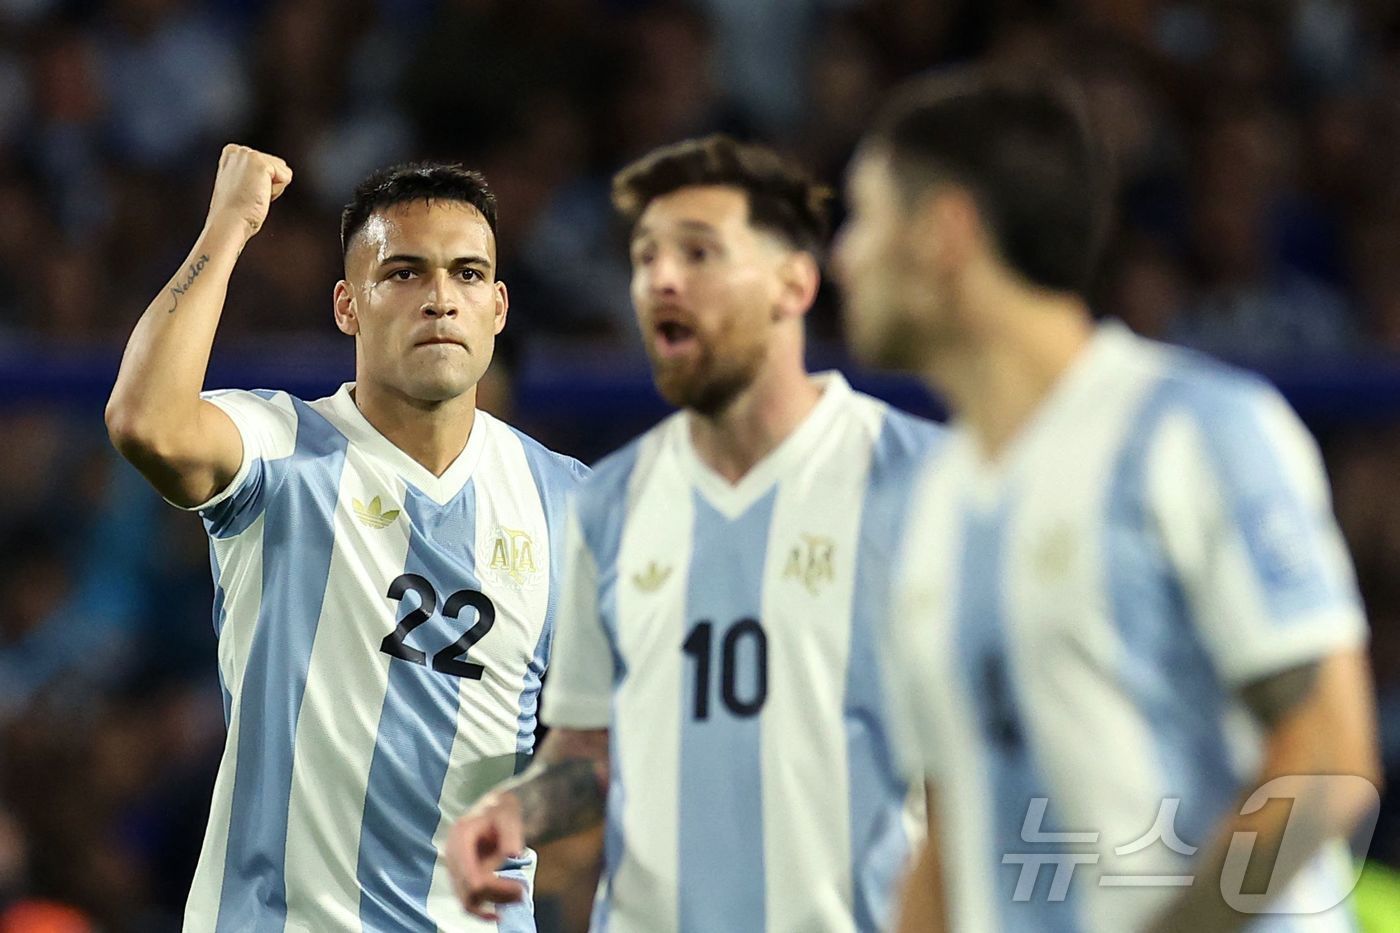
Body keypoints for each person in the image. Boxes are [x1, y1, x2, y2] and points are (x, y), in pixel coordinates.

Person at [835, 69, 1382, 932]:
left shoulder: (1195, 432)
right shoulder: (915, 509)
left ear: (946, 232)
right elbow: (950, 834)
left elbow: (1327, 757)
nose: (844, 257)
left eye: (864, 218)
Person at [444, 135, 944, 931]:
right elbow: (588, 754)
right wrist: (517, 813)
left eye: (700, 252)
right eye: (644, 258)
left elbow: (975, 769)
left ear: (795, 283)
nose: (661, 280)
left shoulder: (921, 482)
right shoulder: (610, 501)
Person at [105, 146, 586, 932]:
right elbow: (144, 420)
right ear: (347, 306)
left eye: (466, 274)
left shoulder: (565, 499)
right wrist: (228, 227)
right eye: (403, 273)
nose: (440, 298)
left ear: (498, 308)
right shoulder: (282, 446)